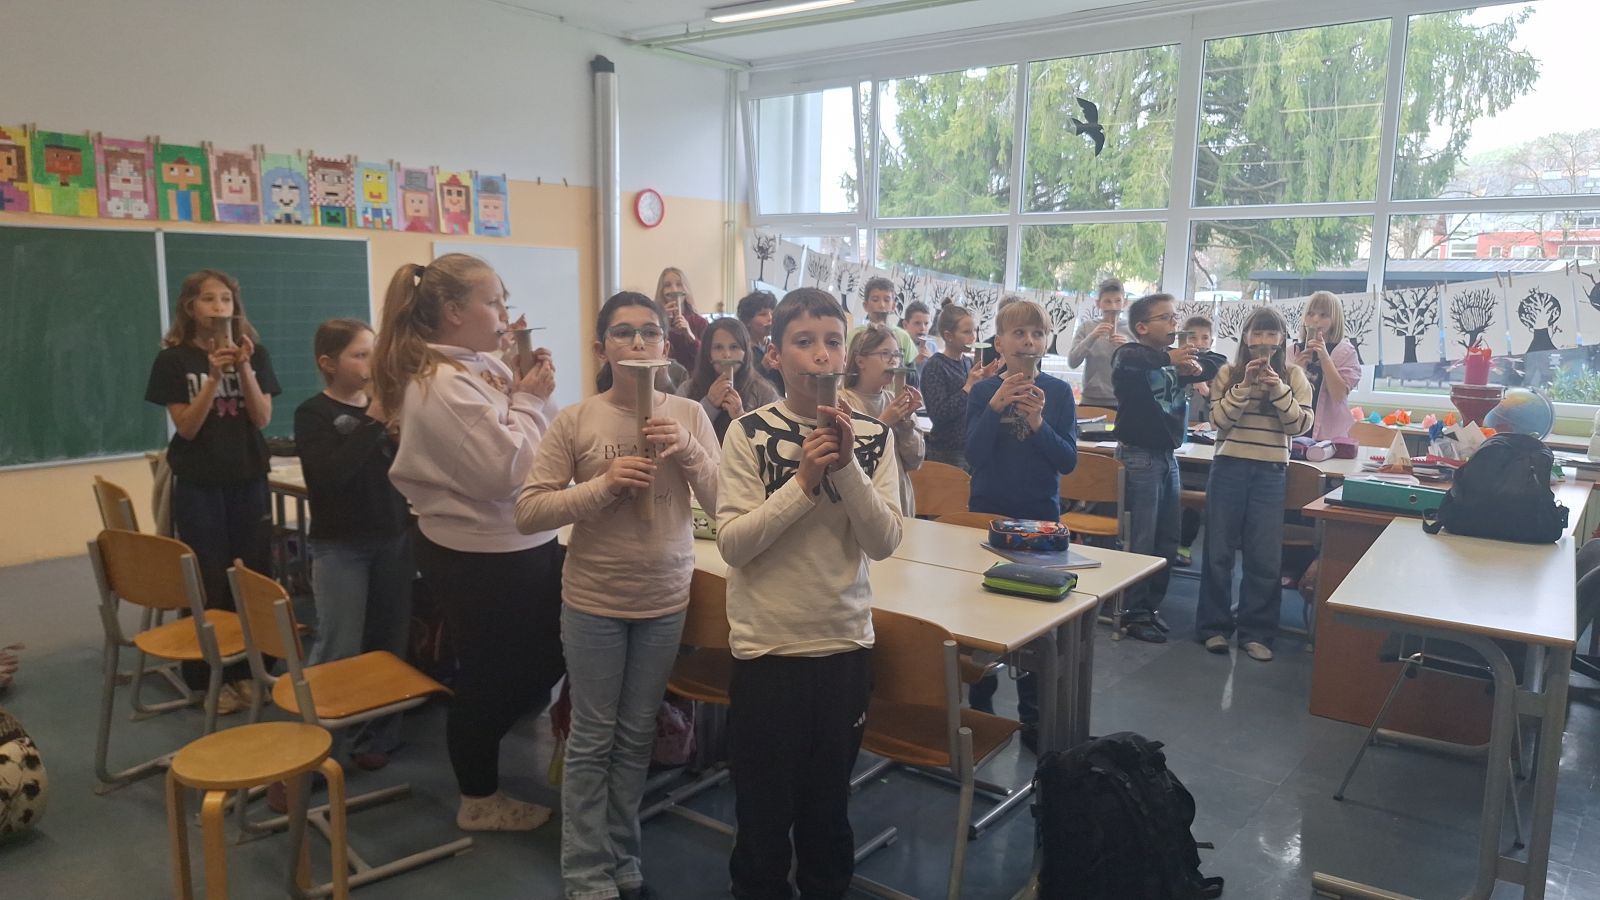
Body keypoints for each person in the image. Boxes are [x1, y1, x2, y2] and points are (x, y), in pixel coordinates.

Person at [517, 291, 721, 900]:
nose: (637, 342)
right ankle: (585, 869)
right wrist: (602, 486)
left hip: (665, 599)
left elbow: (724, 502)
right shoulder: (576, 419)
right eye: (623, 332)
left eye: (649, 332)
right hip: (595, 601)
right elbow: (530, 511)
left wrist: (687, 450)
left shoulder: (689, 414)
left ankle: (623, 856)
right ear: (601, 347)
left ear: (666, 344)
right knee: (592, 736)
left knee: (636, 736)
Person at [717, 287, 903, 900]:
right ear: (774, 355)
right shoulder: (747, 433)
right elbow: (735, 544)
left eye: (832, 342)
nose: (821, 355)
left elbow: (884, 540)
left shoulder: (873, 436)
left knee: (828, 808)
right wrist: (803, 480)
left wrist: (845, 466)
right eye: (804, 342)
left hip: (843, 644)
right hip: (769, 649)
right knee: (763, 811)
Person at [374, 254, 565, 831]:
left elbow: (546, 442)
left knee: (546, 655)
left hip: (512, 541)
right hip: (481, 553)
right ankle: (478, 798)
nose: (505, 314)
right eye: (494, 302)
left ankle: (493, 751)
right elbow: (506, 470)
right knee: (491, 677)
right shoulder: (441, 384)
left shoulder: (478, 369)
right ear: (455, 312)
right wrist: (527, 400)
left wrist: (526, 386)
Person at [144, 269, 280, 711]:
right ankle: (209, 677)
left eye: (226, 299)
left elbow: (262, 418)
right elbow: (186, 427)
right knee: (208, 580)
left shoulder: (254, 353)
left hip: (248, 477)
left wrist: (243, 367)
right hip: (200, 482)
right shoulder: (173, 360)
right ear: (190, 307)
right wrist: (212, 378)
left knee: (253, 574)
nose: (220, 307)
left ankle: (251, 669)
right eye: (209, 299)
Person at [293, 318, 412, 770]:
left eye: (373, 353)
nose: (371, 363)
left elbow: (406, 471)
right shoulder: (313, 413)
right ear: (329, 363)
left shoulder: (386, 409)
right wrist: (374, 421)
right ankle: (316, 747)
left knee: (389, 643)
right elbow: (330, 477)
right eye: (360, 355)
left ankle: (378, 734)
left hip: (392, 538)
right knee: (339, 646)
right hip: (341, 546)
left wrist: (398, 435)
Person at [965, 298, 1077, 741]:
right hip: (988, 512)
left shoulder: (1059, 393)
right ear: (1000, 343)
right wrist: (994, 408)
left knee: (1037, 620)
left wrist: (1038, 422)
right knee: (982, 611)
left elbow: (1067, 461)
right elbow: (973, 456)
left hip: (1040, 517)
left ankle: (1033, 715)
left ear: (1046, 343)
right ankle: (981, 705)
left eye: (1037, 333)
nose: (1028, 341)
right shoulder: (981, 393)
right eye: (1019, 333)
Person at [1195, 306, 1313, 663]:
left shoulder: (1294, 375)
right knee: (1218, 552)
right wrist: (1244, 386)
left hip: (1270, 473)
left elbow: (1300, 425)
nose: (1263, 341)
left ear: (1281, 340)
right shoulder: (1227, 373)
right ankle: (1213, 628)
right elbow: (1218, 421)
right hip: (1228, 467)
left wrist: (1277, 389)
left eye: (1271, 334)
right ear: (1245, 338)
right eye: (1257, 333)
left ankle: (1257, 632)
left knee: (1264, 557)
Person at [1111, 295, 1219, 643]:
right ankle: (1132, 612)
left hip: (1167, 458)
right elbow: (1128, 358)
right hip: (1139, 457)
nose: (1175, 324)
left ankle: (1149, 608)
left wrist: (1194, 367)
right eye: (1167, 318)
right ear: (1142, 327)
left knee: (1167, 539)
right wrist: (1170, 359)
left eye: (1175, 317)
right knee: (1142, 539)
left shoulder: (1177, 361)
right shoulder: (1131, 357)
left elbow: (1218, 362)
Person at [842, 325, 924, 517]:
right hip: (863, 502)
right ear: (860, 361)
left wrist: (906, 425)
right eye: (885, 354)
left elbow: (915, 461)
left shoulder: (896, 400)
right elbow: (851, 460)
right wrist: (883, 423)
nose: (893, 361)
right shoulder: (844, 401)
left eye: (897, 355)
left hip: (899, 498)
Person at [921, 304, 1000, 470]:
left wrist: (984, 382)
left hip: (969, 446)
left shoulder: (967, 362)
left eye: (975, 330)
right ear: (948, 336)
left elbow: (973, 405)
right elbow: (939, 414)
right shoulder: (935, 366)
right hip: (946, 451)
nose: (973, 336)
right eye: (966, 332)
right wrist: (968, 386)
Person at [677, 317, 780, 442]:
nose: (727, 354)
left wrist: (741, 417)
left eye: (734, 347)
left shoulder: (764, 392)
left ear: (745, 352)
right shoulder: (687, 389)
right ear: (708, 354)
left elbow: (774, 443)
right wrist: (708, 405)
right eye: (718, 347)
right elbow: (678, 437)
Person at [1177, 315, 1226, 567]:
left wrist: (1206, 391)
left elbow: (1223, 407)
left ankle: (1185, 544)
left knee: (1195, 497)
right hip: (1179, 439)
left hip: (1206, 442)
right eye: (1194, 337)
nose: (1200, 342)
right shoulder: (1177, 363)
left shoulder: (1218, 366)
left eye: (1205, 337)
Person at [1295, 291, 1362, 441]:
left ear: (1335, 320)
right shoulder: (1293, 351)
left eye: (1323, 315)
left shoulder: (1345, 352)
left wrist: (1325, 358)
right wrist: (1296, 371)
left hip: (1329, 437)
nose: (1315, 319)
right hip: (1295, 433)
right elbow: (1283, 395)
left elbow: (1339, 396)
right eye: (1310, 314)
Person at [1067, 278, 1134, 409]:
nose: (1113, 307)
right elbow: (1072, 362)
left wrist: (1128, 348)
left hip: (1124, 400)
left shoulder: (1132, 328)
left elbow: (1143, 368)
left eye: (1118, 301)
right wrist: (1092, 336)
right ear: (1098, 304)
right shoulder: (1087, 327)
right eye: (1107, 301)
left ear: (1125, 302)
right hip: (1091, 399)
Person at [848, 276, 917, 380]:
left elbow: (912, 374)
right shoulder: (855, 335)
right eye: (875, 300)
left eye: (887, 300)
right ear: (865, 305)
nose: (881, 305)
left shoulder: (903, 337)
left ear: (893, 306)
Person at [656, 267, 709, 372]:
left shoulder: (700, 322)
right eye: (667, 285)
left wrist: (690, 336)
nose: (674, 290)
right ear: (661, 291)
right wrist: (662, 323)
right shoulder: (654, 321)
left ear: (686, 289)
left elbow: (707, 359)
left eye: (679, 284)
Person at [737, 289, 784, 396]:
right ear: (747, 321)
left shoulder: (775, 346)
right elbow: (741, 384)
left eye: (772, 313)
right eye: (763, 314)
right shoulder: (741, 349)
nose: (770, 318)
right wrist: (763, 367)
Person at [902, 300, 936, 371]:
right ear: (905, 325)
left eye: (926, 324)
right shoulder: (900, 345)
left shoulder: (932, 346)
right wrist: (913, 363)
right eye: (917, 323)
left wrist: (933, 360)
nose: (923, 328)